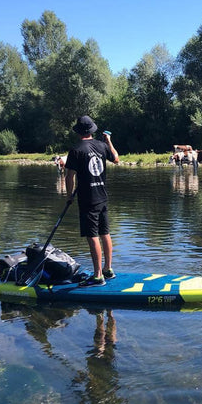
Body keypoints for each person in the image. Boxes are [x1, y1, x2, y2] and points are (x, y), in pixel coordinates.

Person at [65, 115, 119, 286]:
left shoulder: (75, 150)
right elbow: (116, 159)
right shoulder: (102, 145)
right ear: (92, 130)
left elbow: (69, 176)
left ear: (79, 132)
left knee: (92, 236)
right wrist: (109, 141)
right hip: (102, 197)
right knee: (105, 233)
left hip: (88, 199)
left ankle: (98, 276)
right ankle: (108, 269)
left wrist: (69, 196)